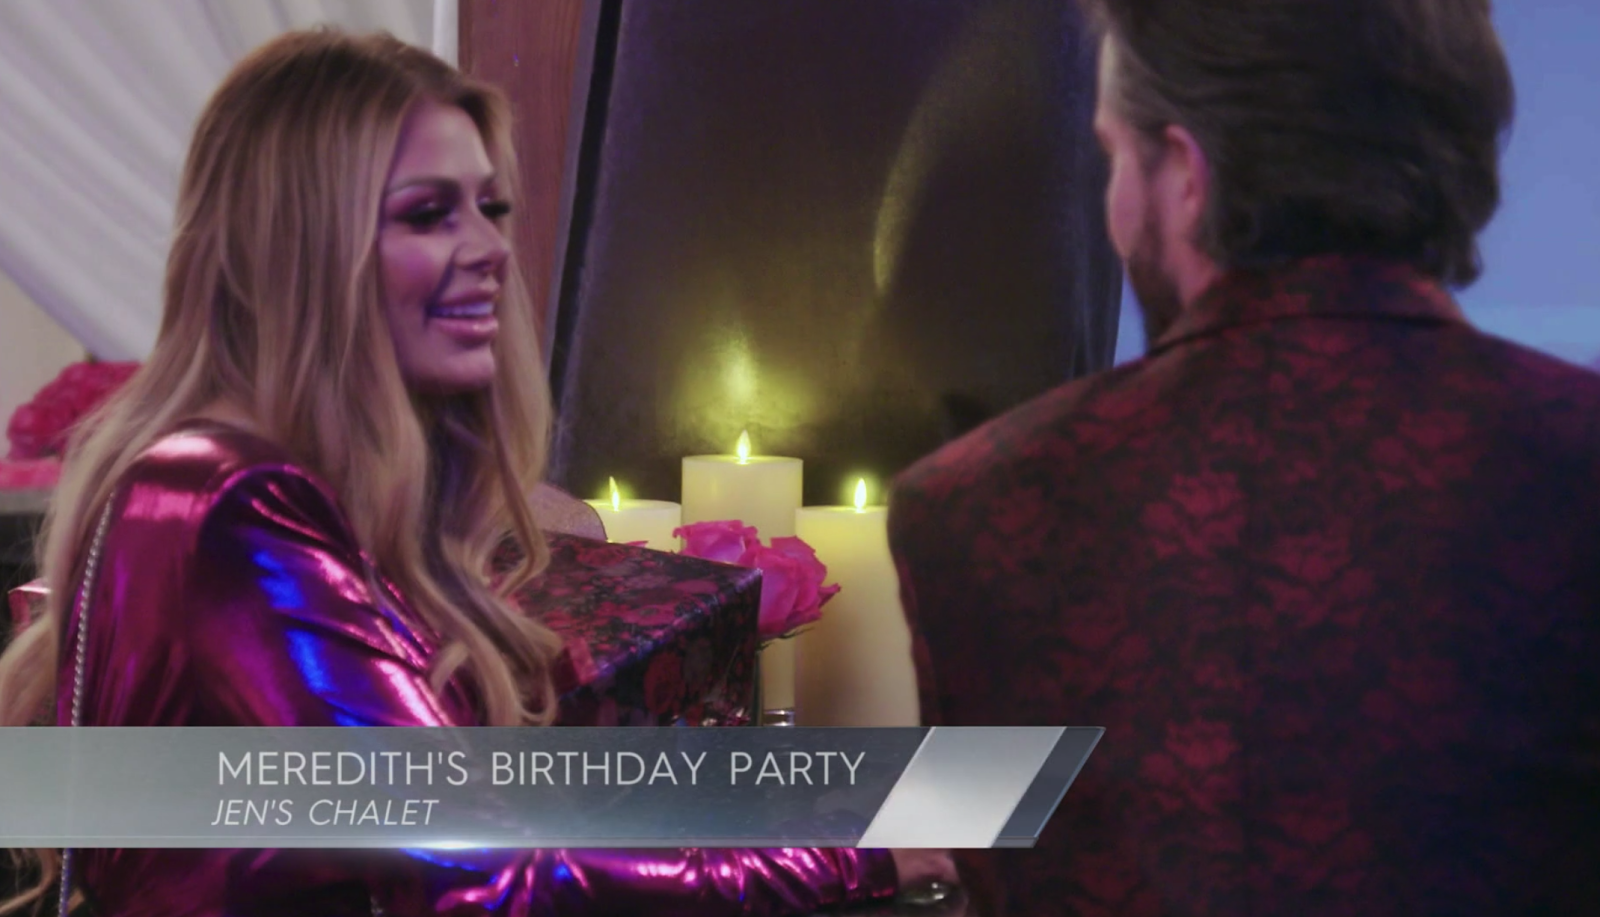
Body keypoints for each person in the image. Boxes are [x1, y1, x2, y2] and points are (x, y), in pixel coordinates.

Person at [0, 28, 952, 916]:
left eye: (489, 208)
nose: (493, 247)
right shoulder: (233, 499)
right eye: (429, 213)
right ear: (304, 246)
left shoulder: (312, 495)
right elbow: (481, 875)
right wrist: (852, 854)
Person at [888, 0, 1600, 914]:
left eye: (1114, 159)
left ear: (1186, 175)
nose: (1112, 207)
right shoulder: (1572, 457)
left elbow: (960, 834)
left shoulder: (976, 505)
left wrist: (732, 792)